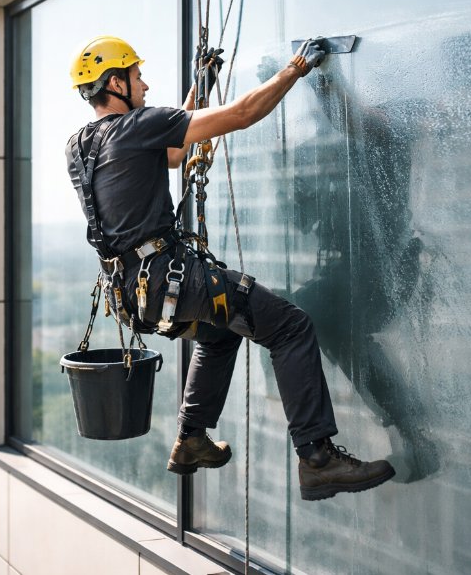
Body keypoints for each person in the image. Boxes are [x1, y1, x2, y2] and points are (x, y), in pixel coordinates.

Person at [65, 35, 395, 500]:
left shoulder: (80, 147)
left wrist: (200, 87)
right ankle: (318, 458)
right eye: (137, 76)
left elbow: (173, 154)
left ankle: (191, 439)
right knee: (290, 327)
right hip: (171, 278)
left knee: (219, 333)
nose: (145, 84)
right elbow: (240, 116)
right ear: (115, 83)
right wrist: (296, 69)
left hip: (133, 295)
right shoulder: (137, 127)